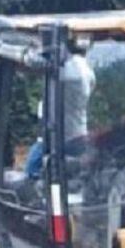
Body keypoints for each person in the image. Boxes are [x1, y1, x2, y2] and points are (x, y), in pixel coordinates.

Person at [25, 40, 95, 180]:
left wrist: (31, 53)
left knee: (32, 171)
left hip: (60, 138)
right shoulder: (87, 70)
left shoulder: (72, 71)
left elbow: (35, 64)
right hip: (76, 134)